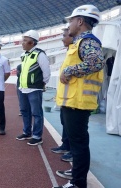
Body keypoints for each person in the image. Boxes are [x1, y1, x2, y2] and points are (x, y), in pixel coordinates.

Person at [53, 5, 104, 188]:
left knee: (79, 145)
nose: (70, 24)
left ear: (80, 21)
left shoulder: (87, 41)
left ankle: (78, 184)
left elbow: (96, 62)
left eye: (71, 21)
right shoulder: (79, 42)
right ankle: (77, 180)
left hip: (78, 102)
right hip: (74, 101)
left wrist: (70, 70)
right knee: (78, 144)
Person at [16, 30, 51, 146]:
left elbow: (46, 72)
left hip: (34, 89)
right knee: (25, 111)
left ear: (32, 42)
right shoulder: (24, 55)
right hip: (23, 88)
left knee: (36, 113)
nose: (22, 43)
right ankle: (26, 132)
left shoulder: (40, 54)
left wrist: (41, 84)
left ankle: (37, 136)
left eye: (25, 40)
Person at [51, 24, 74, 180]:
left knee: (75, 131)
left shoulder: (78, 49)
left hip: (74, 97)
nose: (62, 39)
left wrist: (68, 71)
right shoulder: (69, 51)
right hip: (66, 97)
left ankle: (72, 152)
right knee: (65, 124)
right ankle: (66, 145)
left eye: (65, 36)